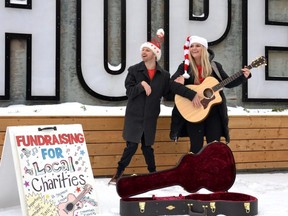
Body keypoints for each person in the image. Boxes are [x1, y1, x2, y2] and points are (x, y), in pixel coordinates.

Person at [109, 29, 196, 184]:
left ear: (155, 54)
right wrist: (142, 84)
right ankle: (118, 173)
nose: (143, 51)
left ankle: (153, 174)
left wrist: (185, 88)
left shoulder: (163, 75)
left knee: (147, 147)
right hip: (134, 116)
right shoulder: (134, 71)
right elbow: (129, 92)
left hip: (150, 116)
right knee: (131, 146)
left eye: (147, 50)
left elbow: (169, 95)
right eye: (143, 49)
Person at [169, 35, 251, 154]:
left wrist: (243, 76)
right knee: (196, 148)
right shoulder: (185, 67)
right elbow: (171, 85)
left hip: (214, 113)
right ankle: (196, 172)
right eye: (191, 46)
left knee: (213, 147)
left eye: (197, 45)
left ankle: (212, 172)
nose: (194, 48)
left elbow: (228, 82)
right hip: (194, 112)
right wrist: (192, 95)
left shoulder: (215, 66)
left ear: (204, 48)